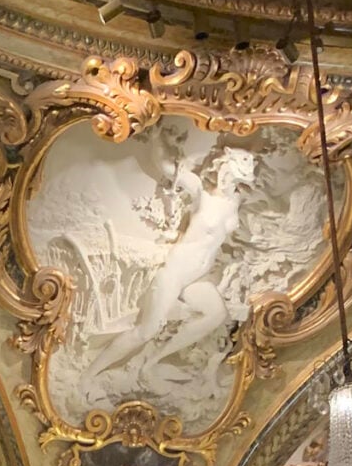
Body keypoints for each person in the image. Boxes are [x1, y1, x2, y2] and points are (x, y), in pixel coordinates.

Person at [84, 143, 256, 379]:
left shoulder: (234, 201)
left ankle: (153, 361)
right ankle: (89, 373)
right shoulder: (202, 194)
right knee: (145, 331)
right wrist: (155, 137)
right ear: (227, 163)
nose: (250, 167)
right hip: (175, 273)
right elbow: (165, 167)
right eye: (245, 161)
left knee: (216, 314)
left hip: (196, 279)